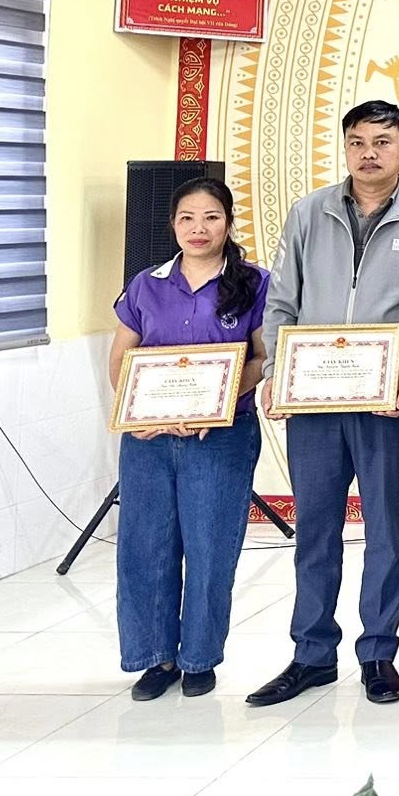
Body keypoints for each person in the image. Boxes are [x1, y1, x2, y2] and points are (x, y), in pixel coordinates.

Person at [247, 100, 399, 708]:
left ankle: (378, 653)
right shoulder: (309, 212)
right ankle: (311, 654)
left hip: (386, 401)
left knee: (387, 528)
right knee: (315, 529)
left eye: (382, 142)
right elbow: (282, 302)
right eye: (358, 142)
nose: (369, 153)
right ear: (345, 147)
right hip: (314, 399)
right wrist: (278, 371)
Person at [107, 177, 270, 701]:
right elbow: (121, 360)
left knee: (210, 547)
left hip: (220, 437)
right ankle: (156, 658)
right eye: (187, 218)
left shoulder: (255, 283)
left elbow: (262, 358)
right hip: (148, 439)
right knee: (146, 547)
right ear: (172, 224)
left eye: (211, 217)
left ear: (229, 223)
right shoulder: (146, 284)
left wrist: (214, 403)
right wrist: (139, 413)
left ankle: (199, 657)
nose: (199, 228)